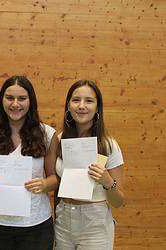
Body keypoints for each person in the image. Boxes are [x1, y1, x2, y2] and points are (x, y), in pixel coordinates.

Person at [0, 75, 58, 250]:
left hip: (35, 225)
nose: (15, 104)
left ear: (30, 101)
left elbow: (54, 177)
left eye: (22, 98)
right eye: (10, 98)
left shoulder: (47, 134)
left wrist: (43, 184)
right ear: (2, 100)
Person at [54, 80, 125, 249]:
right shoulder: (58, 140)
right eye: (76, 100)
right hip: (63, 219)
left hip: (95, 223)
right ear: (68, 106)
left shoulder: (108, 145)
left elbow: (119, 201)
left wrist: (108, 182)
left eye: (89, 101)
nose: (82, 106)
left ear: (97, 107)